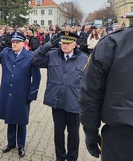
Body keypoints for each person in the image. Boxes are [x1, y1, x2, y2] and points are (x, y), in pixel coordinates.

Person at [79, 18, 133, 160]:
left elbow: (90, 94)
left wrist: (90, 132)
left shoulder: (111, 43)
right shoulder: (111, 43)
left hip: (121, 138)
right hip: (121, 136)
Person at [31, 31, 88, 161]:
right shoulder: (52, 55)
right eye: (63, 43)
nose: (65, 46)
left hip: (74, 102)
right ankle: (60, 157)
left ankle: (72, 158)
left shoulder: (84, 59)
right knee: (58, 132)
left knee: (73, 134)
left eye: (68, 43)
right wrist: (47, 45)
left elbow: (90, 82)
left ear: (75, 44)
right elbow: (34, 59)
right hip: (56, 101)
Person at [0, 31, 41, 157]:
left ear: (24, 43)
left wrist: (32, 95)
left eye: (17, 42)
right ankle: (11, 143)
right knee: (10, 118)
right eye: (13, 42)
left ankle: (21, 145)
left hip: (22, 94)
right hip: (8, 92)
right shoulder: (6, 53)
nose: (14, 44)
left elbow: (36, 78)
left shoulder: (30, 56)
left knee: (21, 121)